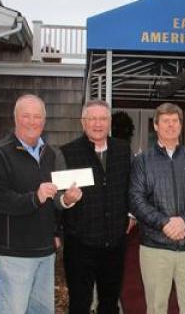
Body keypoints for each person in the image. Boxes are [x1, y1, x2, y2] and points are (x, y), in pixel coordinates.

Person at [0, 94, 81, 314]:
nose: (32, 122)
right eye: (26, 116)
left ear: (44, 120)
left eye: (37, 117)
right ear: (15, 119)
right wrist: (35, 197)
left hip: (44, 252)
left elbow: (54, 199)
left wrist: (67, 200)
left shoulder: (50, 153)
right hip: (13, 254)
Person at [129, 102, 185, 314]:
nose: (170, 125)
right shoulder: (142, 162)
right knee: (156, 308)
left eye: (175, 121)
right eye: (165, 121)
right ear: (155, 126)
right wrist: (165, 223)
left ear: (181, 125)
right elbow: (136, 199)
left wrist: (184, 220)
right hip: (155, 247)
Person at [59, 100, 134, 314]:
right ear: (83, 122)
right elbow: (57, 197)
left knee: (109, 302)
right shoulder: (67, 152)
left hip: (114, 243)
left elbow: (131, 186)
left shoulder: (123, 150)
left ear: (109, 122)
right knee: (79, 303)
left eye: (103, 118)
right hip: (80, 243)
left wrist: (131, 214)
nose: (97, 123)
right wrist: (65, 204)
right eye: (92, 118)